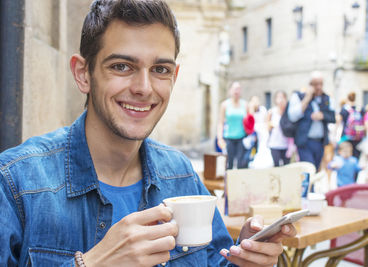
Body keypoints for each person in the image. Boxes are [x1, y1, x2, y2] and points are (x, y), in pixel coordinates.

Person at [0, 1, 296, 266]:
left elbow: (215, 261)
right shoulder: (15, 183)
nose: (144, 87)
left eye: (160, 69)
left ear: (174, 77)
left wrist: (244, 260)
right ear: (83, 73)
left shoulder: (181, 175)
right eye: (122, 66)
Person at [287, 71, 336, 170]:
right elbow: (292, 116)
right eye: (316, 84)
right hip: (305, 141)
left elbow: (333, 116)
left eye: (321, 84)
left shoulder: (326, 98)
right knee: (308, 169)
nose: (318, 87)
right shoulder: (299, 96)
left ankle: (312, 186)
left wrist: (322, 115)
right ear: (310, 84)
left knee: (316, 169)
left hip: (320, 142)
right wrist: (307, 98)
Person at [217, 82, 248, 169]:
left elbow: (250, 121)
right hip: (229, 138)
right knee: (228, 164)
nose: (236, 91)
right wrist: (220, 138)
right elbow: (220, 122)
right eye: (234, 89)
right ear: (230, 90)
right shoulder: (224, 105)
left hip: (241, 138)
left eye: (238, 89)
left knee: (241, 164)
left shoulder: (245, 104)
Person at [338, 92, 365, 159]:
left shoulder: (344, 109)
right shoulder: (360, 109)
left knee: (346, 158)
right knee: (356, 158)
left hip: (346, 137)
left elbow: (338, 121)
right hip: (358, 137)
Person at [267, 91, 290, 166]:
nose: (281, 100)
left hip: (286, 144)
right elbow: (267, 127)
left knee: (286, 166)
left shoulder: (288, 112)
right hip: (274, 143)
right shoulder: (271, 112)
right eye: (279, 97)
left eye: (282, 97)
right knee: (276, 165)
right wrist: (271, 125)